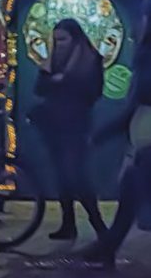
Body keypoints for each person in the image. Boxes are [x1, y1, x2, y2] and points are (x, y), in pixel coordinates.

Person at [85, 0, 151, 269]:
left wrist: (106, 131)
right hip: (143, 131)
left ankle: (107, 246)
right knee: (130, 190)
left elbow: (139, 96)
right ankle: (107, 246)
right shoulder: (144, 51)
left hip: (146, 132)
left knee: (133, 187)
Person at [31, 17, 108, 241]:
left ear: (75, 38)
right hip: (54, 124)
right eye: (56, 40)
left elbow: (93, 93)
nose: (59, 45)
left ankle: (99, 225)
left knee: (76, 175)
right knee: (61, 175)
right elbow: (39, 90)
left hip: (76, 124)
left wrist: (60, 81)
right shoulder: (53, 60)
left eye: (63, 39)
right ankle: (68, 224)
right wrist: (49, 74)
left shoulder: (90, 59)